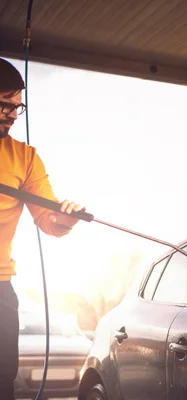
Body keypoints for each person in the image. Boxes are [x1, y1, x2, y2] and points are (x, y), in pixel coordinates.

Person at [0, 58, 84, 399]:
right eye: (5, 104)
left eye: (18, 106)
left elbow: (48, 220)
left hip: (0, 284)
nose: (12, 114)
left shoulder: (25, 157)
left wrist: (67, 217)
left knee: (3, 378)